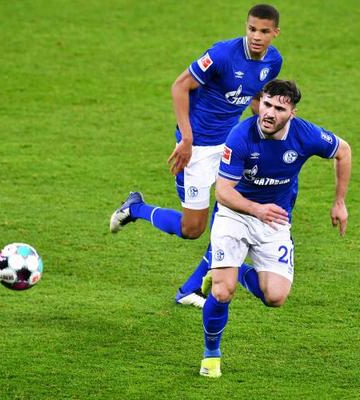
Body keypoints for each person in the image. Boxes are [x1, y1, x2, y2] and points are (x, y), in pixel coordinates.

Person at [109, 5, 283, 308]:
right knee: (192, 229)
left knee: (232, 217)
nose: (257, 36)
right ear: (246, 27)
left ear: (275, 33)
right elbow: (180, 86)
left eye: (264, 31)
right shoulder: (222, 55)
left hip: (231, 145)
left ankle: (190, 289)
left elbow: (254, 97)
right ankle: (135, 208)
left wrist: (270, 124)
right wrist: (187, 139)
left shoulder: (273, 61)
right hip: (198, 146)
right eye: (252, 29)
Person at [198, 79, 352, 378]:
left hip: (275, 219)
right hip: (235, 214)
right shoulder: (240, 136)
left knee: (275, 298)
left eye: (279, 109)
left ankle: (227, 271)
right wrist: (256, 209)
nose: (269, 113)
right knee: (222, 292)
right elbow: (223, 193)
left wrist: (339, 202)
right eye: (266, 104)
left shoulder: (306, 135)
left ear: (292, 113)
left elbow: (343, 151)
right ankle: (211, 353)